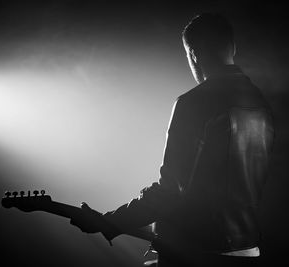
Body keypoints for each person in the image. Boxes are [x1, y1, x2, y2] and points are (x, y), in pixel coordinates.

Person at [71, 13, 274, 267]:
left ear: (194, 54)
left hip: (199, 252)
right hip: (247, 249)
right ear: (233, 47)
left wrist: (109, 221)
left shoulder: (194, 102)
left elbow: (170, 191)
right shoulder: (260, 103)